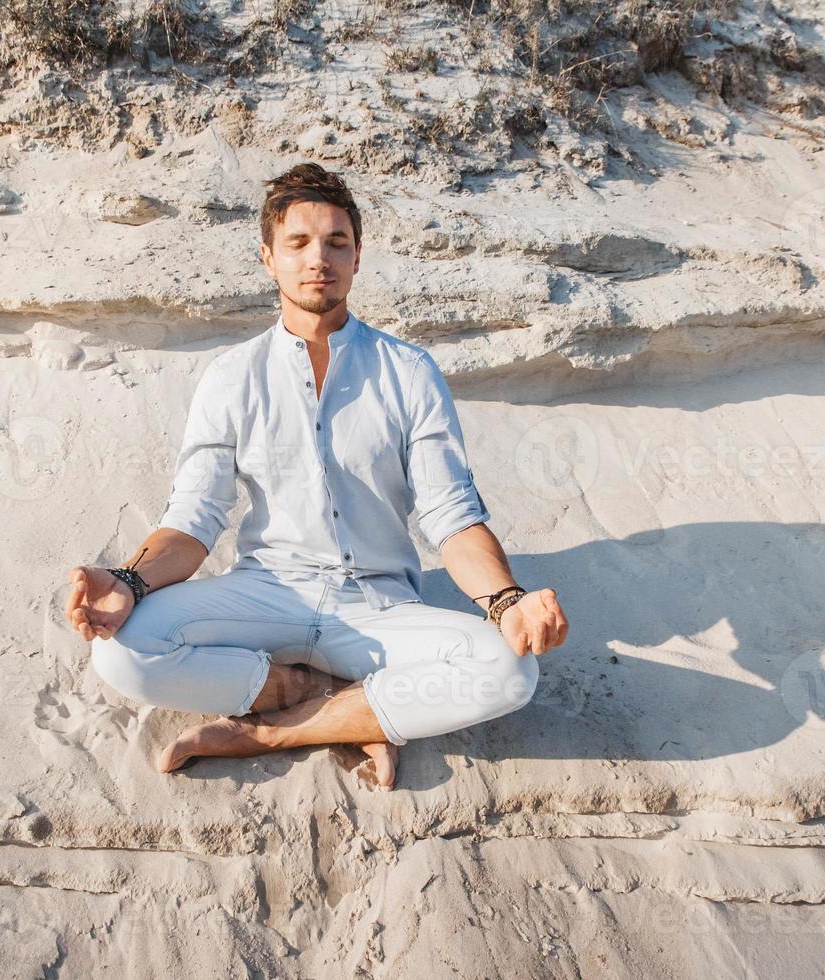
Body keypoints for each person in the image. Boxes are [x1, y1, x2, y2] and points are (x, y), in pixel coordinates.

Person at [64, 162, 568, 790]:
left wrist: (507, 603)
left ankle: (279, 725)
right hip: (267, 593)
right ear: (268, 258)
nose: (318, 258)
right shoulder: (232, 375)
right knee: (122, 650)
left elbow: (451, 514)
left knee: (510, 669)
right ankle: (333, 697)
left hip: (380, 605)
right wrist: (130, 582)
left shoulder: (408, 371)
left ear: (357, 258)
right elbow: (195, 519)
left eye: (337, 242)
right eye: (298, 243)